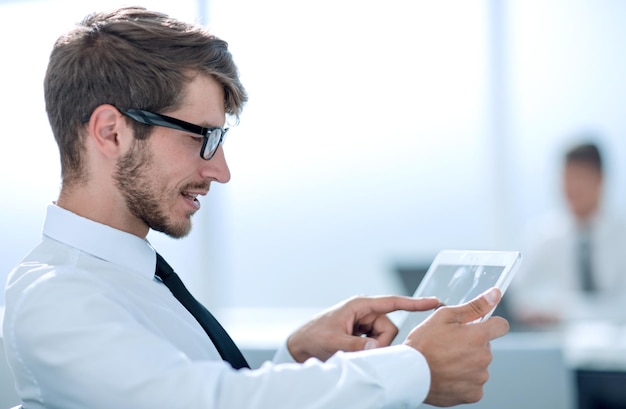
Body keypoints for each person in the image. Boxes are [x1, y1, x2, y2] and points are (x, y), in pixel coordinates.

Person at [2, 7, 509, 408]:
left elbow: (193, 383)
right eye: (202, 137)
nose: (220, 170)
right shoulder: (56, 295)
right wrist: (413, 368)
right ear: (112, 131)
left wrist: (298, 356)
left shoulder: (131, 275)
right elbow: (203, 405)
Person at [509, 140, 626, 327]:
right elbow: (522, 298)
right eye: (566, 178)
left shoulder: (622, 235)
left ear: (600, 179)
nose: (570, 187)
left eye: (578, 177)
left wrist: (566, 310)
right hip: (554, 345)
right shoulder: (542, 236)